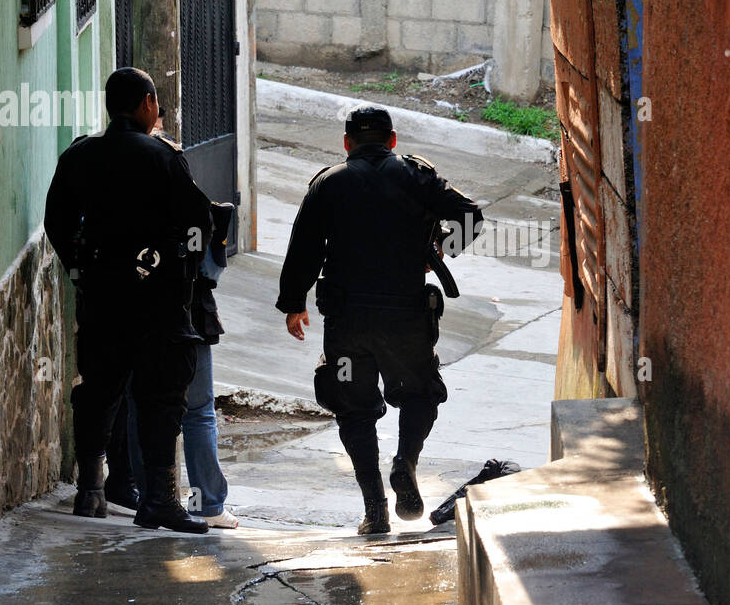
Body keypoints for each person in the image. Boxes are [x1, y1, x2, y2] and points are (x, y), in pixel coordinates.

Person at [276, 106, 484, 535]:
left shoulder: (328, 183)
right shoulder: (418, 177)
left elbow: (304, 248)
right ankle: (405, 461)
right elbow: (471, 215)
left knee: (352, 408)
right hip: (405, 317)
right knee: (420, 393)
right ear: (392, 140)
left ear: (347, 143)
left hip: (347, 324)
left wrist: (294, 303)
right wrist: (446, 247)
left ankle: (375, 511)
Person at [44, 67, 214, 534]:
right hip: (157, 299)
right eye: (156, 103)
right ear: (146, 104)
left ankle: (91, 489)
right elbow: (199, 222)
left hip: (101, 295)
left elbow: (56, 220)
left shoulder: (80, 154)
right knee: (161, 397)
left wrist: (80, 268)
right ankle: (158, 499)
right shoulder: (162, 156)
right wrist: (187, 269)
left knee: (99, 389)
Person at [114, 197, 240, 529]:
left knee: (139, 406)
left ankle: (151, 497)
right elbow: (210, 272)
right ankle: (206, 504)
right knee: (198, 412)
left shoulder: (123, 212)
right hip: (190, 319)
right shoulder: (194, 211)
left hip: (137, 322)